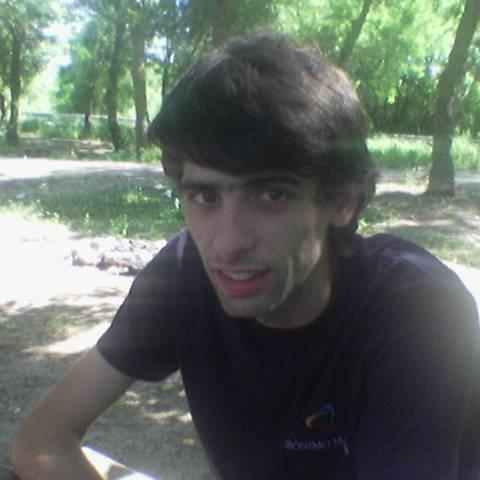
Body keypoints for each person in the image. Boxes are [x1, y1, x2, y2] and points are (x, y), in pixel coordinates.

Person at [12, 33, 480, 480]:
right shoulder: (183, 276)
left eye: (271, 195)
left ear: (342, 201)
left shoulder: (420, 311)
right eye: (205, 197)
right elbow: (42, 442)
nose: (228, 243)